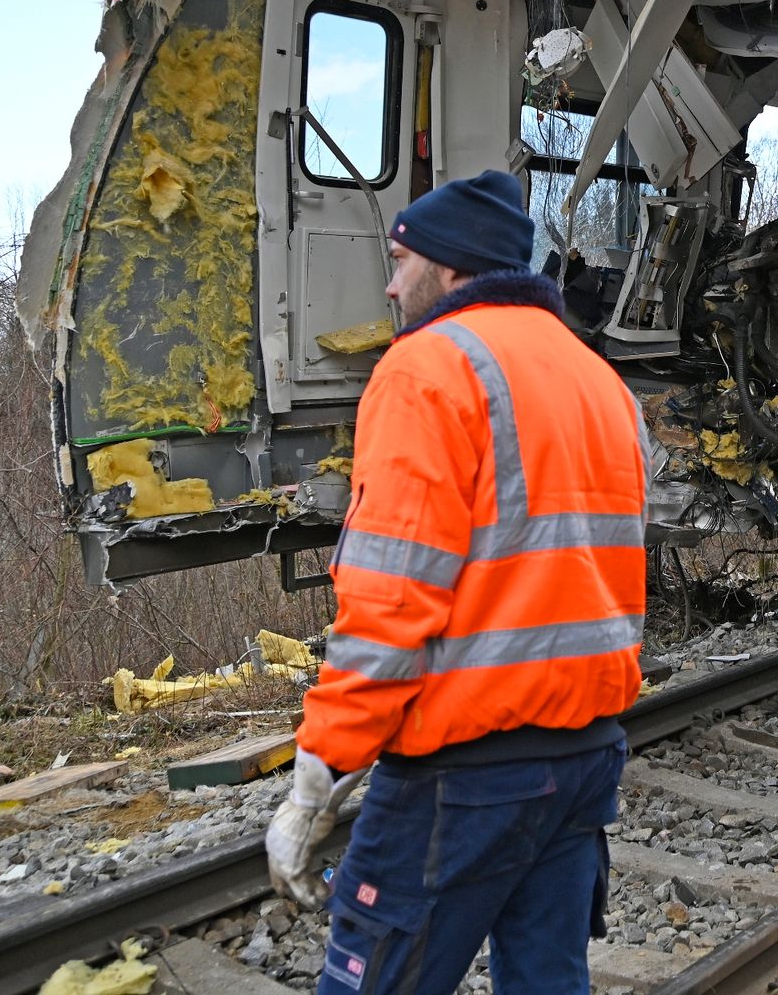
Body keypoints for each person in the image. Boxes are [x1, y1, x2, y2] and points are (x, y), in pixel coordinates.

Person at [265, 170, 650, 995]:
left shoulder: (427, 370)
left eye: (402, 261)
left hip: (467, 771)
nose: (391, 282)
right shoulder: (601, 383)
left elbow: (391, 601)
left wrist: (319, 776)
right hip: (585, 755)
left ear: (452, 268)